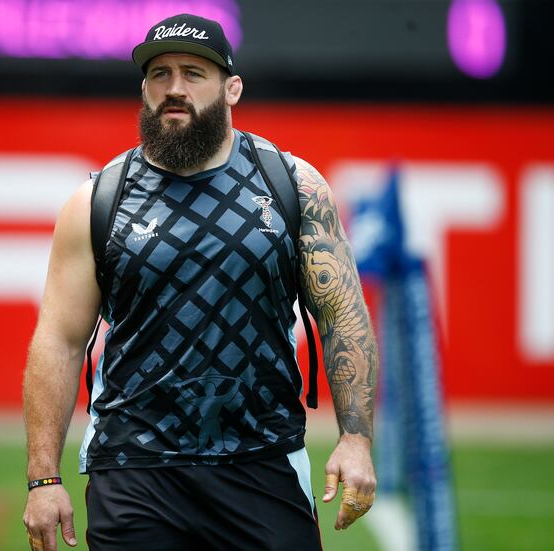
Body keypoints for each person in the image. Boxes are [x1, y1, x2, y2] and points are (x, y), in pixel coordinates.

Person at [23, 13, 378, 551]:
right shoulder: (98, 202)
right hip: (133, 471)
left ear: (231, 89)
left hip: (261, 463)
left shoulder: (291, 185)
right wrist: (44, 477)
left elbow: (341, 317)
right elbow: (60, 340)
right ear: (144, 89)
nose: (174, 88)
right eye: (160, 75)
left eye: (193, 73)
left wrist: (355, 438)